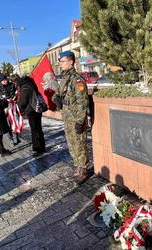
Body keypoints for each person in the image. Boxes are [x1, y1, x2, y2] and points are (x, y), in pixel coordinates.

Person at [52, 51, 89, 184]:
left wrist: (80, 120)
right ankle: (77, 166)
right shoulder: (64, 78)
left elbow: (82, 101)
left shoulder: (76, 79)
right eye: (60, 61)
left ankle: (83, 169)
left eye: (62, 61)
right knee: (71, 143)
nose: (60, 64)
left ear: (71, 62)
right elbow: (59, 93)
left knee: (79, 143)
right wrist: (56, 98)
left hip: (75, 117)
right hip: (67, 116)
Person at [17, 76, 45, 156]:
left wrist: (16, 106)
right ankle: (42, 146)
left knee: (34, 129)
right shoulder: (32, 85)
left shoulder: (25, 88)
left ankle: (37, 148)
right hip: (37, 109)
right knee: (39, 128)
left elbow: (23, 102)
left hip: (31, 111)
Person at [0, 74, 20, 145]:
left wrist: (15, 98)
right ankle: (11, 139)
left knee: (15, 122)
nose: (4, 81)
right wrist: (5, 106)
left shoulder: (12, 85)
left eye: (5, 79)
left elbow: (17, 93)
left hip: (14, 106)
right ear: (0, 82)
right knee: (8, 124)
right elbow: (0, 99)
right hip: (6, 108)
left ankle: (17, 137)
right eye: (3, 81)